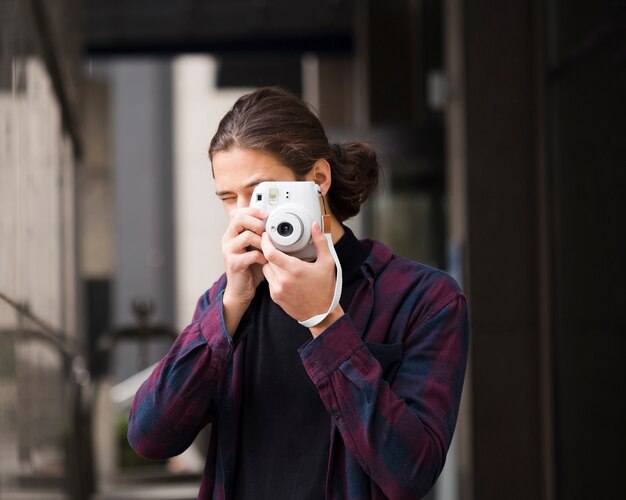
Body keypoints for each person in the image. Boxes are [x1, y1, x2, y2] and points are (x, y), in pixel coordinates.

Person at [128, 87, 469, 500]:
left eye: (259, 194)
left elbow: (411, 471)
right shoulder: (226, 304)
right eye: (227, 199)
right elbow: (149, 438)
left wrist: (325, 322)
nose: (242, 215)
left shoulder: (424, 299)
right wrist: (229, 308)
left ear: (318, 180)